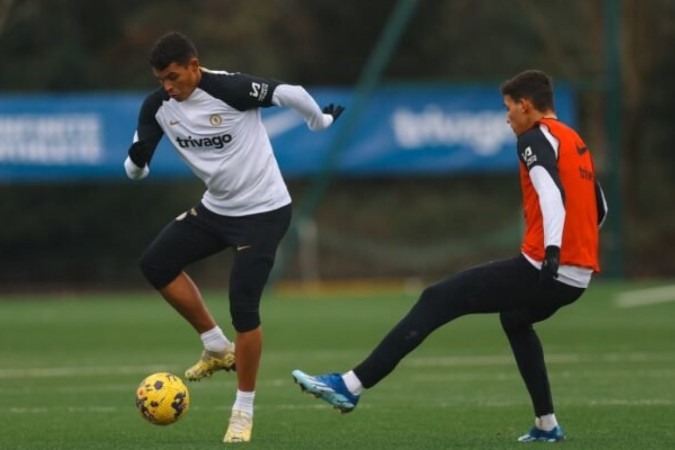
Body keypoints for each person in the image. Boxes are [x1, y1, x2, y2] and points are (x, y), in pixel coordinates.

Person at [292, 69, 607, 443]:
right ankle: (546, 425)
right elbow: (599, 207)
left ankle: (350, 385)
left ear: (526, 106)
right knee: (516, 319)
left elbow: (550, 193)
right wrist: (576, 250)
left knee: (438, 297)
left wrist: (554, 250)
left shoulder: (533, 138)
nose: (506, 117)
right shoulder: (573, 140)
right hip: (576, 276)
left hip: (547, 267)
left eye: (508, 108)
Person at [124, 31, 344, 443]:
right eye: (160, 80)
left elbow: (292, 92)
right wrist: (137, 161)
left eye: (174, 76)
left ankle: (242, 412)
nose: (168, 87)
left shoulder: (230, 88)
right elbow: (135, 169)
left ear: (194, 65)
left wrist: (321, 122)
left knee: (244, 307)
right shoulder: (158, 106)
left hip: (264, 212)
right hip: (216, 209)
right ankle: (215, 345)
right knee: (155, 263)